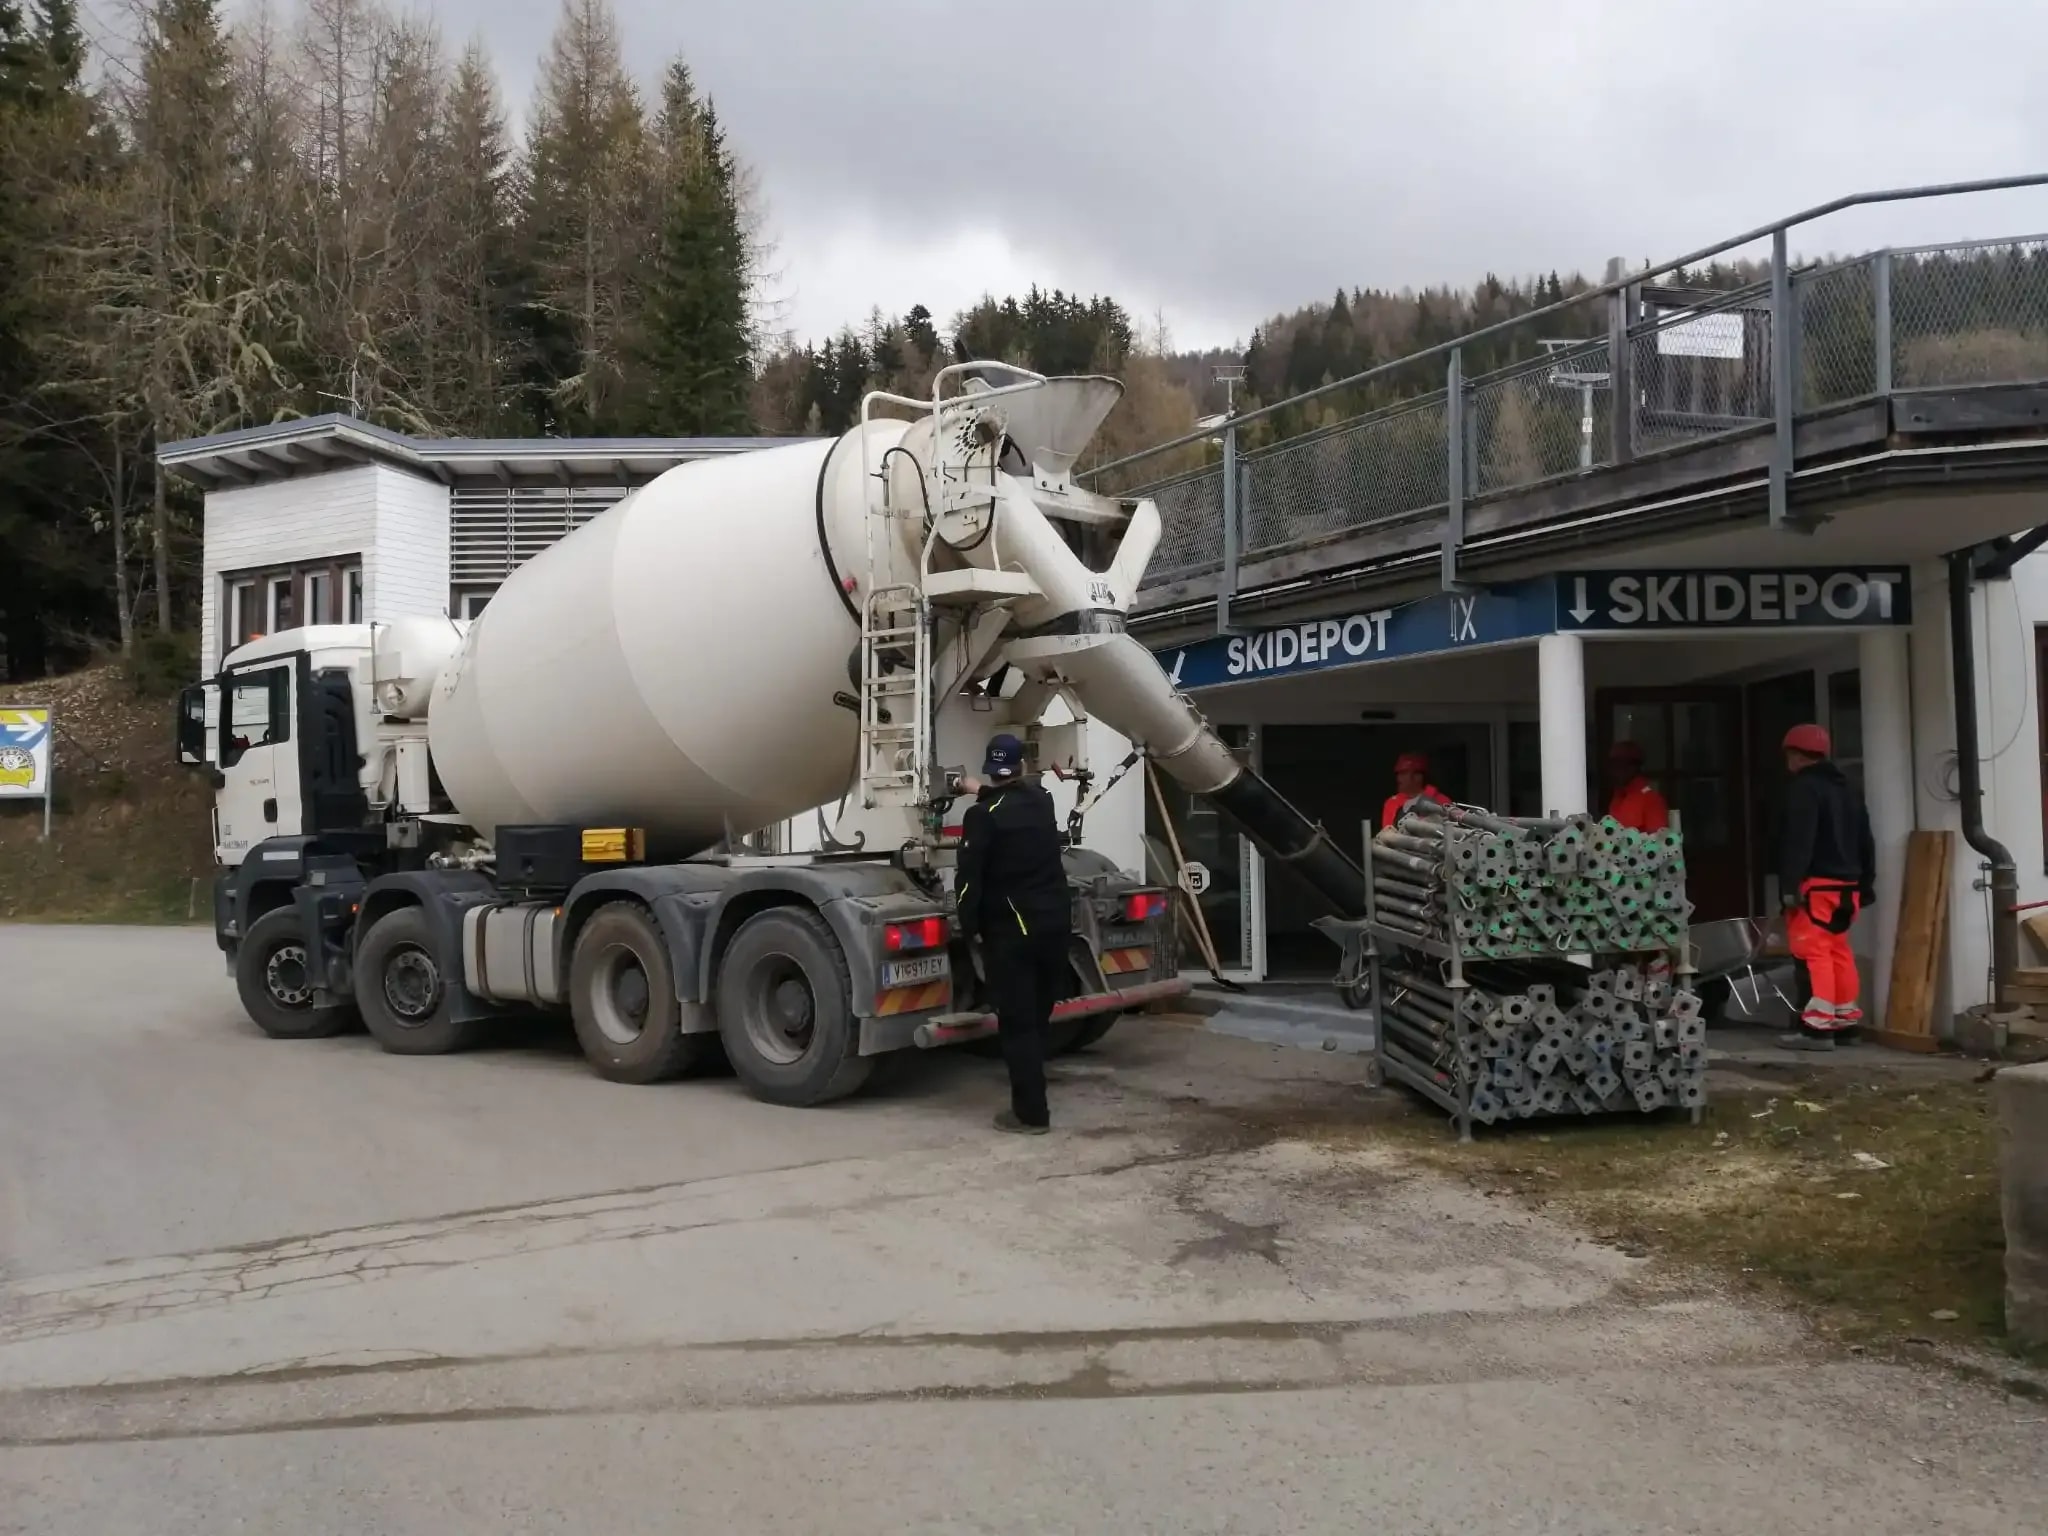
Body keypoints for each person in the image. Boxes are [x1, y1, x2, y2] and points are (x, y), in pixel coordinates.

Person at [955, 732, 1073, 1134]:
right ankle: (1033, 1084)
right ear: (1022, 767)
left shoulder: (982, 817)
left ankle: (1030, 1115)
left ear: (990, 768)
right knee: (1038, 1015)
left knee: (1017, 1024)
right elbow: (1012, 800)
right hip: (1054, 926)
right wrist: (979, 791)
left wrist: (969, 928)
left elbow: (969, 882)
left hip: (1013, 933)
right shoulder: (1043, 802)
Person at [1776, 723, 1875, 1050]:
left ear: (1795, 755)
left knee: (1813, 951)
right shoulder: (1848, 789)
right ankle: (1846, 1023)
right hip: (1848, 886)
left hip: (1816, 886)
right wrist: (1866, 883)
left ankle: (1817, 1028)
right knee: (1838, 950)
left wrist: (1790, 885)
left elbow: (1798, 841)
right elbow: (1866, 841)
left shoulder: (1804, 789)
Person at [1605, 740, 1670, 833]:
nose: (1613, 770)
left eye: (1618, 763)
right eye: (1612, 763)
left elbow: (1657, 843)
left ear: (1633, 767)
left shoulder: (1651, 799)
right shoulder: (1617, 797)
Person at [1380, 751, 1451, 833]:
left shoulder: (1442, 801)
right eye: (1398, 774)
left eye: (1403, 773)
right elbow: (1387, 836)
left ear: (1418, 776)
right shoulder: (1391, 803)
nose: (1399, 778)